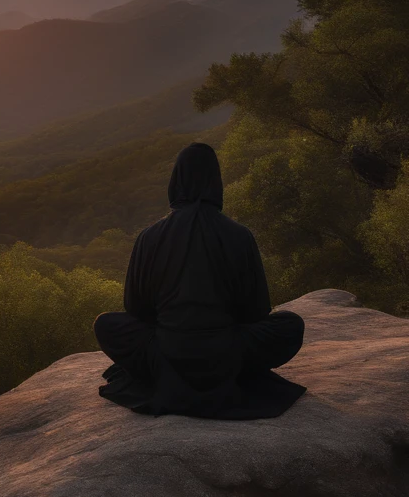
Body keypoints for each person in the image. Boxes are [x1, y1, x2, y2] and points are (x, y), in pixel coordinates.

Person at [94, 142, 306, 419]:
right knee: (291, 325)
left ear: (176, 181)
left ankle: (168, 376)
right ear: (215, 182)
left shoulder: (149, 237)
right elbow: (256, 311)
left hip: (166, 354)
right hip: (228, 354)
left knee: (105, 324)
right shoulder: (239, 235)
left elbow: (136, 309)